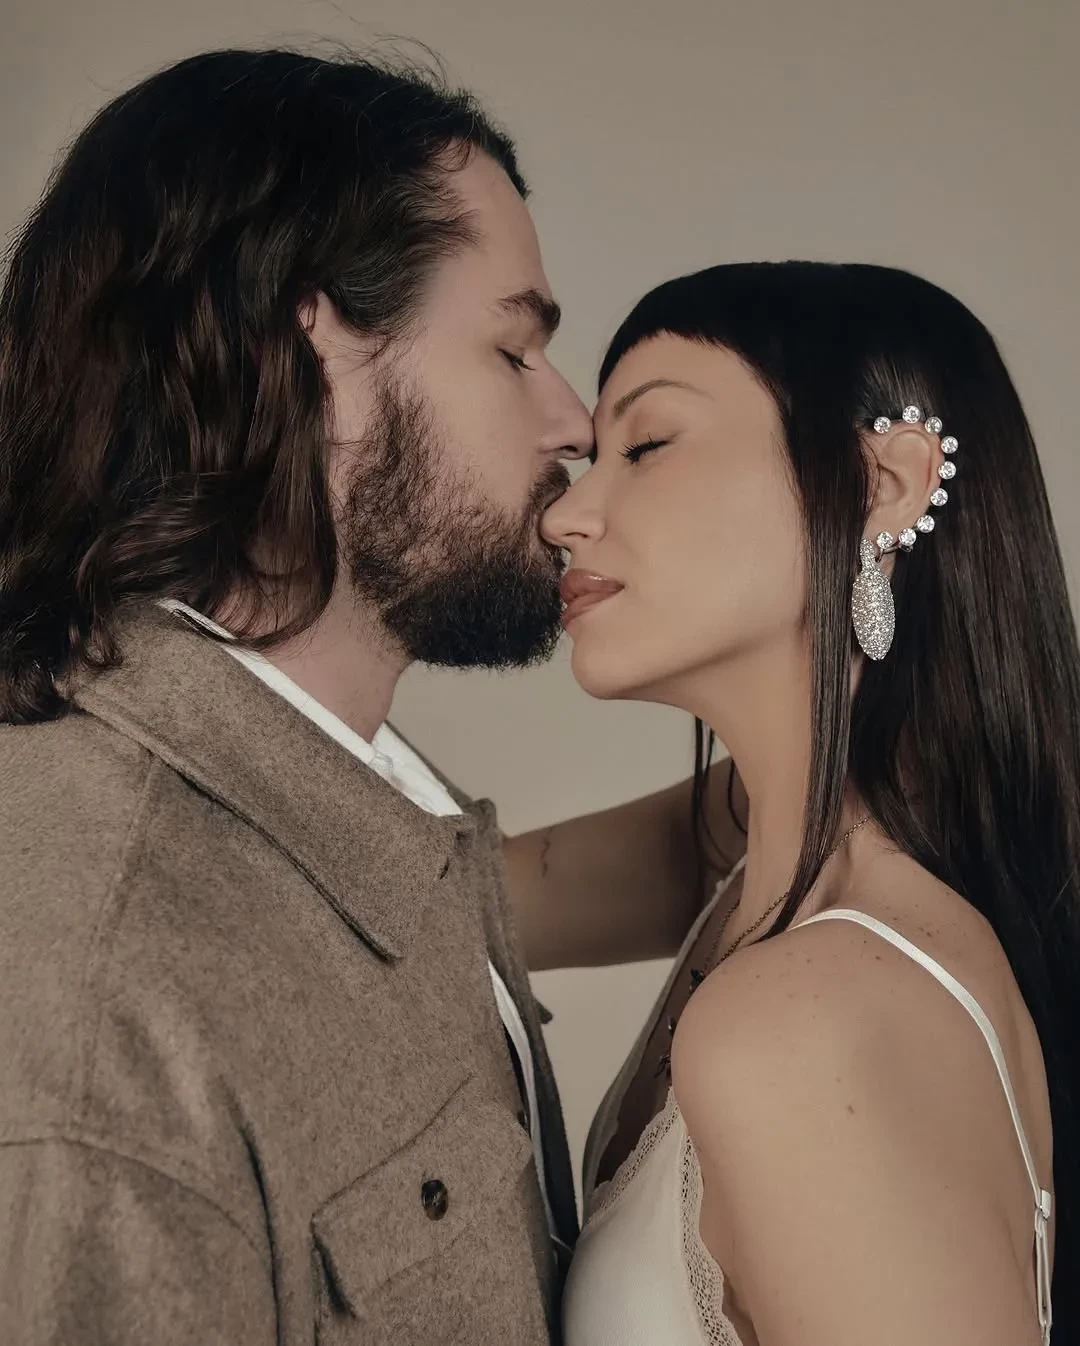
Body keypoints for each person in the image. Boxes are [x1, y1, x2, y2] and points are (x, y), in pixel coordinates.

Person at [0, 49, 746, 1345]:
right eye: (515, 348)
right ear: (311, 356)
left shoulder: (344, 806)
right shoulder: (100, 994)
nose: (574, 420)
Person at [545, 261, 1079, 1346]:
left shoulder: (811, 1015)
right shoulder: (751, 864)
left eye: (647, 445)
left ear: (883, 483)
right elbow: (434, 896)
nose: (565, 515)